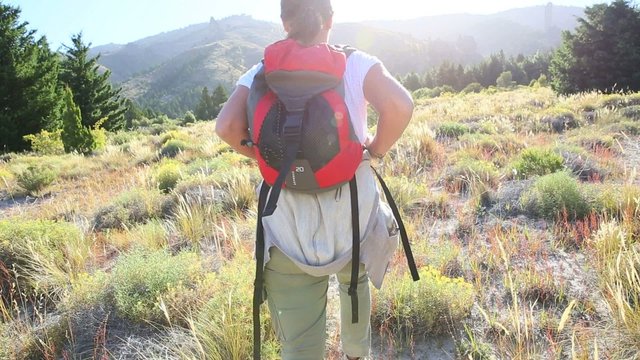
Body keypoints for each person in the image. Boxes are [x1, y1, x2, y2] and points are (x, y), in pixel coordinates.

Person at [215, 0, 414, 358]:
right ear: (330, 20)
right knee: (355, 284)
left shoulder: (260, 71)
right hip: (351, 218)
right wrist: (375, 151)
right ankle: (355, 352)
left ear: (284, 22)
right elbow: (400, 106)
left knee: (301, 345)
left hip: (288, 226)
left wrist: (268, 159)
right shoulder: (355, 62)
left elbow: (226, 127)